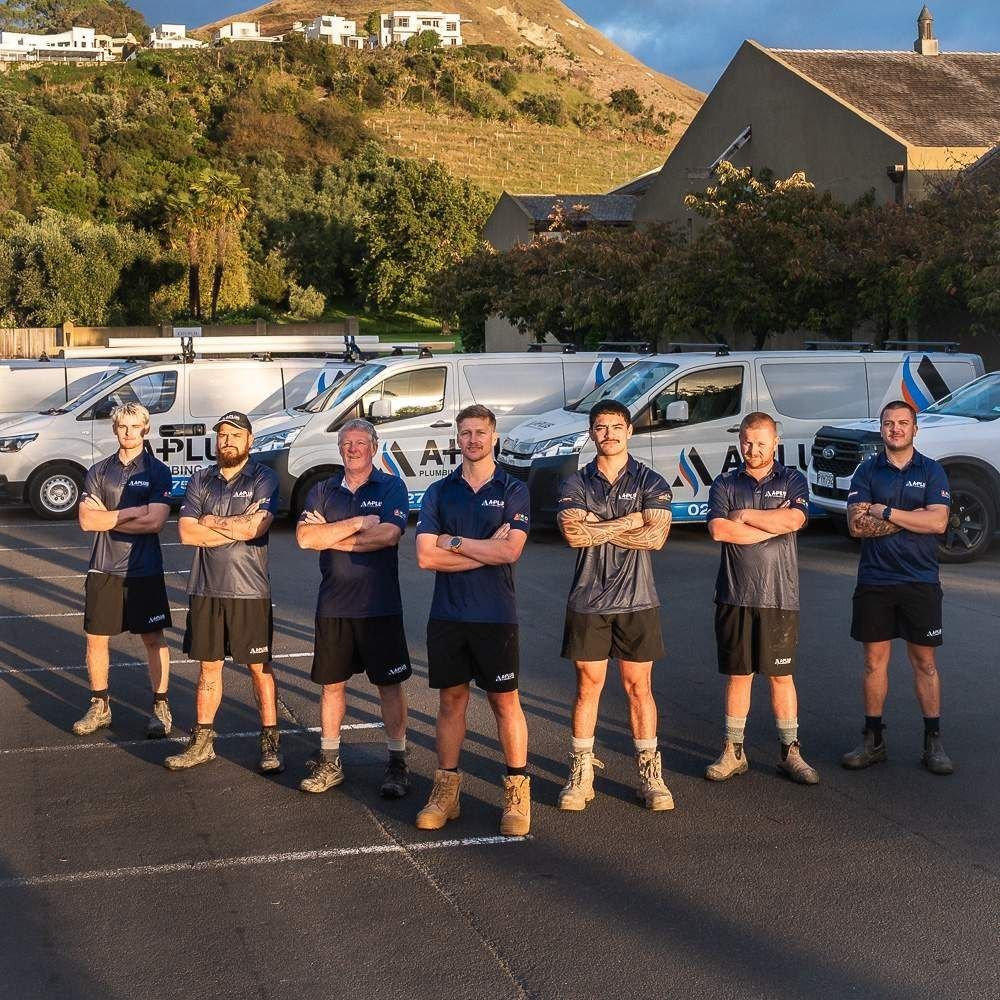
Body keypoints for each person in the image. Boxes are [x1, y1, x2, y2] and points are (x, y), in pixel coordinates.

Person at [414, 404, 532, 837]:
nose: (473, 440)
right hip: (448, 615)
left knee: (505, 702)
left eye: (480, 432)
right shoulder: (440, 492)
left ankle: (517, 792)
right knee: (451, 702)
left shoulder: (514, 489)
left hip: (496, 616)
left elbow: (510, 551)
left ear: (494, 436)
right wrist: (482, 548)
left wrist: (456, 542)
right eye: (465, 433)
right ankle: (446, 792)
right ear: (457, 438)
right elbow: (427, 557)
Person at [556, 399, 674, 812]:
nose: (609, 434)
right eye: (601, 427)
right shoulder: (576, 483)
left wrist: (598, 527)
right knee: (588, 687)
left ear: (629, 431)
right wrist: (632, 520)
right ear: (592, 433)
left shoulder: (652, 479)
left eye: (616, 426)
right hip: (588, 600)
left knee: (638, 687)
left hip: (638, 600)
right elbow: (573, 536)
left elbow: (656, 538)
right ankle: (581, 773)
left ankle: (650, 774)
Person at [295, 418, 412, 798]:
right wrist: (359, 522)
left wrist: (331, 536)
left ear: (374, 447)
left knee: (389, 688)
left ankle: (397, 763)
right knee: (332, 687)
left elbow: (389, 535)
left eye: (361, 442)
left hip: (380, 606)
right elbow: (304, 538)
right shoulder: (323, 488)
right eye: (347, 442)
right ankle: (330, 762)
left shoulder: (392, 485)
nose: (353, 448)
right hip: (334, 607)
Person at [164, 411, 284, 775]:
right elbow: (186, 533)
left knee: (259, 669)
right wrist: (235, 525)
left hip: (249, 590)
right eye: (222, 435)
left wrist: (210, 521)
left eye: (235, 435)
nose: (227, 441)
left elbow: (257, 527)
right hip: (206, 589)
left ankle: (270, 741)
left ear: (250, 440)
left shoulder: (264, 477)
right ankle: (202, 742)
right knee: (208, 668)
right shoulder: (201, 479)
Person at [704, 412, 819, 785]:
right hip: (734, 595)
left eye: (760, 443)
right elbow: (720, 530)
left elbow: (795, 522)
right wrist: (769, 524)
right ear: (740, 442)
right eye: (747, 442)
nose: (752, 450)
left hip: (780, 596)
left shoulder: (792, 479)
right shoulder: (724, 482)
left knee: (781, 676)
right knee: (739, 676)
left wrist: (746, 517)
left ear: (775, 443)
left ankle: (791, 752)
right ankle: (733, 751)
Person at [842, 400, 953, 775]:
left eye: (902, 423)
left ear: (915, 428)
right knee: (874, 662)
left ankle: (933, 742)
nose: (895, 429)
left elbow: (939, 523)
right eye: (889, 424)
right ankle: (873, 740)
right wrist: (915, 517)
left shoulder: (933, 471)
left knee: (925, 662)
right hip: (875, 580)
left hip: (920, 580)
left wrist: (886, 511)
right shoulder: (866, 470)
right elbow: (857, 526)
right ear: (881, 429)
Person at [74, 402, 173, 739]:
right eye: (122, 426)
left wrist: (110, 516)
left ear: (146, 429)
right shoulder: (98, 471)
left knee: (153, 638)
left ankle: (160, 705)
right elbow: (88, 521)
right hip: (103, 568)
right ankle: (100, 706)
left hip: (144, 569)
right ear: (114, 429)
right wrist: (132, 513)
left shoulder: (158, 471)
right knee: (96, 639)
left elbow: (156, 522)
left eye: (135, 427)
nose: (128, 433)